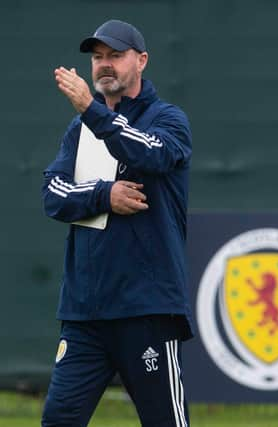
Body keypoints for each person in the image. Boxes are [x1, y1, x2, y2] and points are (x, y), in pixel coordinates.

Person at [41, 19, 193, 427]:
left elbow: (152, 154)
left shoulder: (168, 119)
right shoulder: (80, 129)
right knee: (58, 420)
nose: (104, 65)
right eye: (97, 57)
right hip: (85, 314)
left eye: (115, 55)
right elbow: (53, 194)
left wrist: (93, 111)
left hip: (146, 309)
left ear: (141, 60)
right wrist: (103, 194)